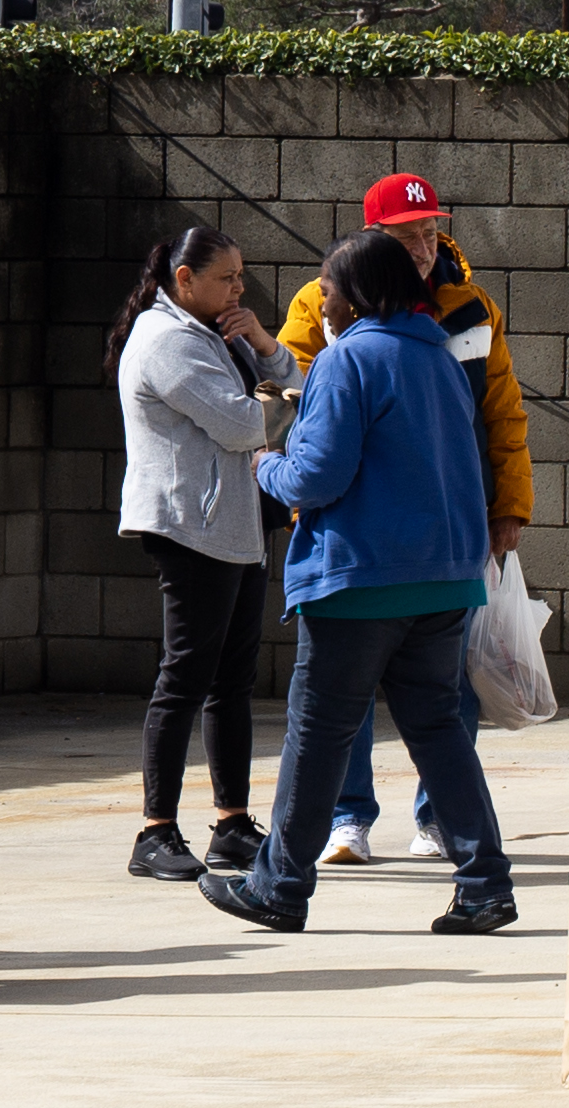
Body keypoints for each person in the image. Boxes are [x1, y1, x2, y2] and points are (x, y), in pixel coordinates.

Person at [204, 235, 518, 938]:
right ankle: (483, 884)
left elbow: (316, 476)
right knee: (439, 734)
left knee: (318, 733)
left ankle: (279, 886)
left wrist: (264, 465)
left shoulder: (349, 358)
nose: (324, 303)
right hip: (443, 580)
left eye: (331, 290)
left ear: (359, 295)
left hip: (360, 579)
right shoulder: (438, 352)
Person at [273, 172, 530, 865]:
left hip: (402, 546)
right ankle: (357, 824)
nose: (422, 247)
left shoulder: (466, 310)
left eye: (429, 232)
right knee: (420, 714)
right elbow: (297, 396)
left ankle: (426, 828)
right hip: (408, 543)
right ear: (372, 241)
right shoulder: (323, 306)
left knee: (395, 703)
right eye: (406, 236)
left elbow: (500, 413)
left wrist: (509, 506)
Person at [110, 224, 289, 881]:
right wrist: (278, 401)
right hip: (191, 526)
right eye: (226, 278)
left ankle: (232, 823)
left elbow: (290, 387)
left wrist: (266, 347)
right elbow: (246, 426)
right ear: (184, 281)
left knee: (232, 683)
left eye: (241, 276)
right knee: (185, 676)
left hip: (235, 526)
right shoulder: (166, 341)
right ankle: (154, 832)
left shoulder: (218, 335)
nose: (239, 288)